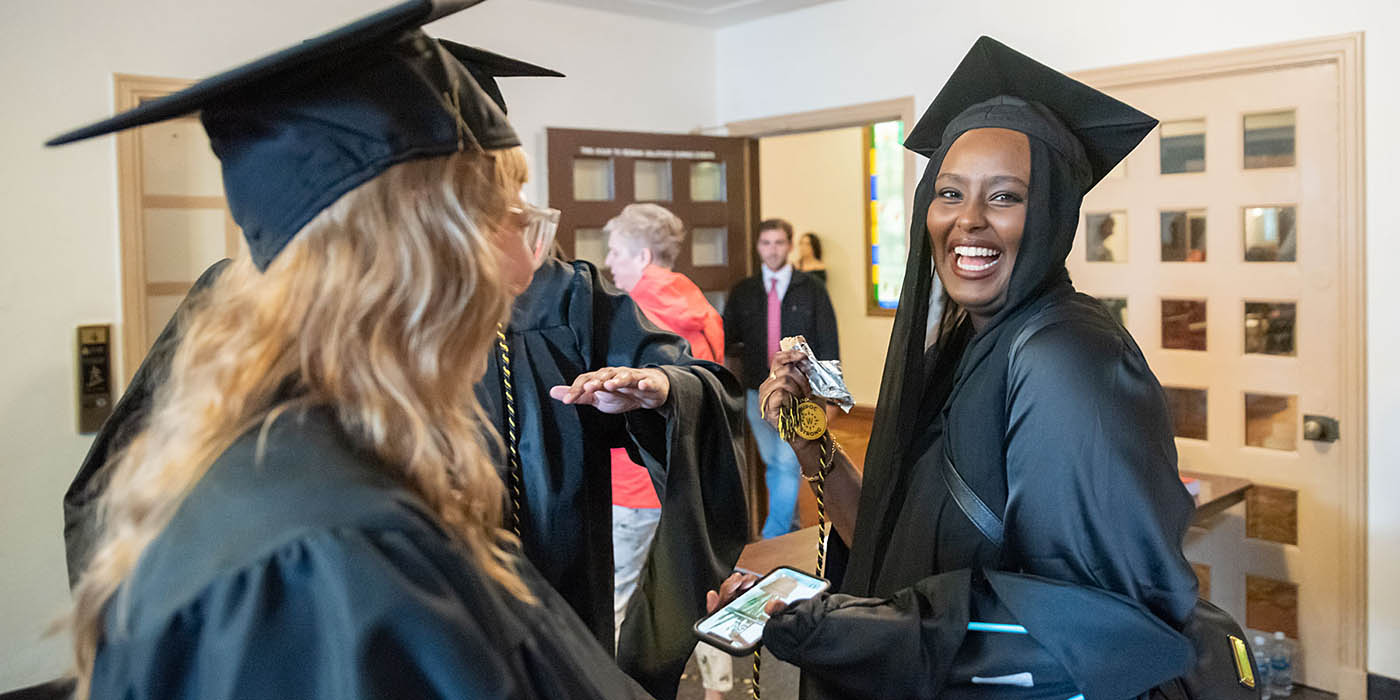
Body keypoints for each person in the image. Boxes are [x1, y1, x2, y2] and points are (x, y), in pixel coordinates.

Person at [60, 35, 747, 700]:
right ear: (401, 251)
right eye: (492, 219)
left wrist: (657, 389)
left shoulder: (317, 479)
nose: (521, 268)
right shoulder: (333, 556)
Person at [749, 37, 1201, 699]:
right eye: (950, 192)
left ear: (1050, 213)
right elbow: (899, 547)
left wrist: (840, 631)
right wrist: (809, 438)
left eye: (1006, 197)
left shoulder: (1065, 360)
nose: (968, 221)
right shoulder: (966, 344)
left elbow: (1094, 629)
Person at [599, 204, 735, 699]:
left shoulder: (626, 313)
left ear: (641, 253)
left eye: (615, 251)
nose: (609, 263)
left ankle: (613, 689)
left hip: (634, 481)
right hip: (689, 477)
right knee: (698, 585)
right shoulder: (699, 305)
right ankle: (720, 689)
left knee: (617, 594)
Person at [724, 218, 838, 538]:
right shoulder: (744, 291)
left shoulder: (812, 289)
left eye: (778, 242)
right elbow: (728, 340)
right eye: (766, 243)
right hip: (754, 392)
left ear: (789, 245)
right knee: (774, 462)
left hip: (799, 392)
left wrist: (829, 394)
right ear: (758, 247)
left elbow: (829, 339)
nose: (772, 250)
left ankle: (771, 536)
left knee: (786, 464)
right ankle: (790, 532)